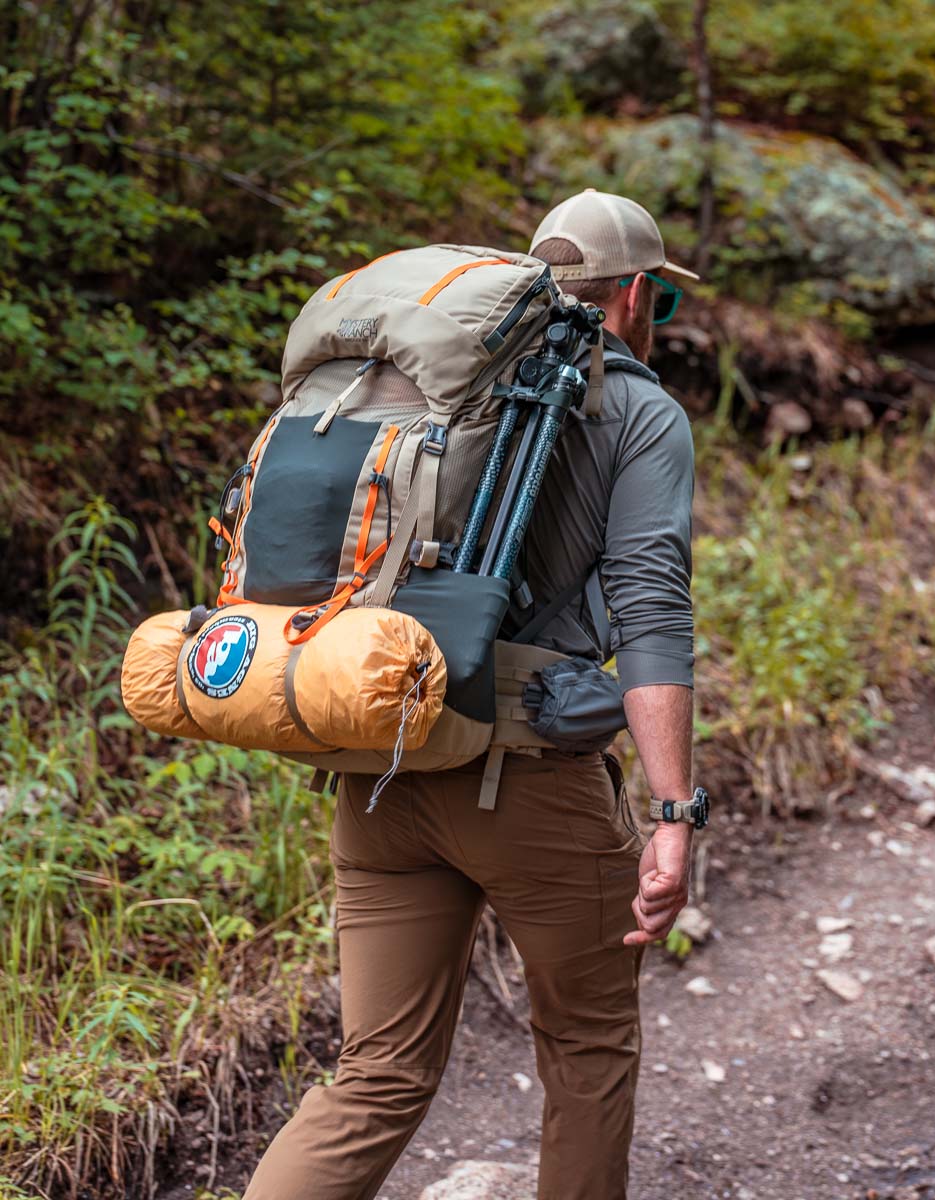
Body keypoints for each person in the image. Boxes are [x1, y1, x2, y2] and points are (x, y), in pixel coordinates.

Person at [243, 189, 704, 1200]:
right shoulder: (637, 412)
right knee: (588, 1049)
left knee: (375, 1073)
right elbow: (652, 612)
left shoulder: (435, 393)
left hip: (379, 756)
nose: (655, 320)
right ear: (632, 296)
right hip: (528, 779)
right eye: (659, 303)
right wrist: (673, 814)